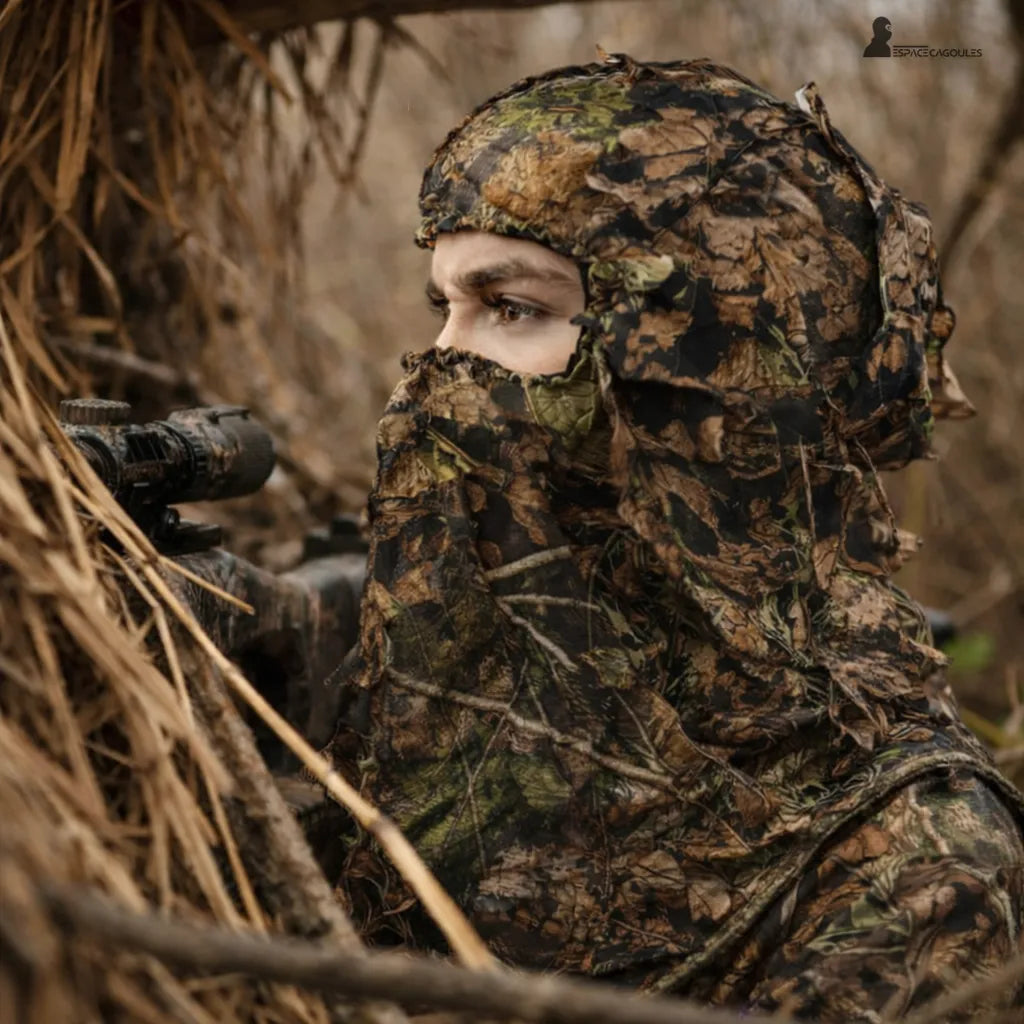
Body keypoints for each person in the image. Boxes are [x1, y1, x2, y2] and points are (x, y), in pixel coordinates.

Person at [326, 55, 1024, 1019]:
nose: (434, 370)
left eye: (512, 307)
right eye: (444, 310)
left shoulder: (917, 873)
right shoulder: (473, 667)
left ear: (718, 368)